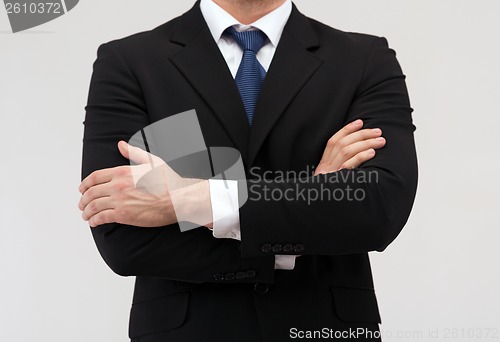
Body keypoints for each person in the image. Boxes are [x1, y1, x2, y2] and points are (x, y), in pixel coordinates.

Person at [79, 0, 418, 341]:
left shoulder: (364, 58)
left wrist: (187, 199)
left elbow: (379, 207)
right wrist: (313, 198)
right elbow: (122, 238)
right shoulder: (131, 62)